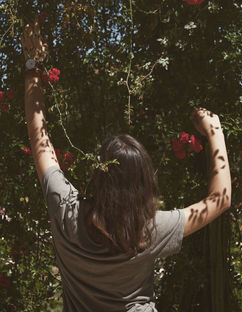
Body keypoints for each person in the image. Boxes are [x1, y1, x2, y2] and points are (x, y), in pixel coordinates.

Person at [21, 17, 231, 312]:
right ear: (145, 183)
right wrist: (214, 130)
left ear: (98, 174)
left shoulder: (67, 210)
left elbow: (38, 138)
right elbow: (219, 200)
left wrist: (32, 63)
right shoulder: (150, 230)